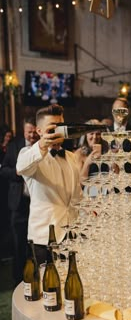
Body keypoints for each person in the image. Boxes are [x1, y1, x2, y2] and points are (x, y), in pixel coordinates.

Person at [16, 104, 82, 267]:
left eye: (61, 126)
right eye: (52, 127)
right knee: (47, 290)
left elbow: (76, 195)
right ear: (39, 131)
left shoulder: (71, 156)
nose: (58, 131)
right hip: (44, 238)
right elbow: (21, 167)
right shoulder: (28, 154)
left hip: (72, 235)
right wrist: (42, 145)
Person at [0, 116, 38, 285]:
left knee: (37, 246)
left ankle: (37, 278)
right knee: (18, 245)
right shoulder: (14, 145)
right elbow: (4, 170)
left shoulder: (42, 146)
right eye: (29, 132)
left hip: (39, 204)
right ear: (24, 131)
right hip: (19, 203)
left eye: (34, 132)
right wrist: (17, 173)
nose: (32, 136)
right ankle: (18, 282)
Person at [0, 125, 13, 260]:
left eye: (10, 136)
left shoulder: (11, 149)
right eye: (6, 136)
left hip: (8, 187)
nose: (8, 138)